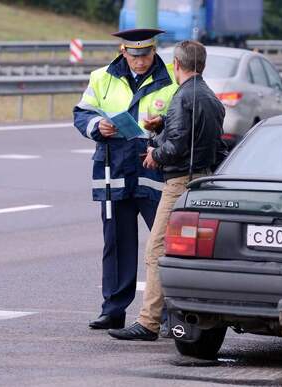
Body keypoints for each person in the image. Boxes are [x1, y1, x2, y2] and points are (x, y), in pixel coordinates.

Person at [108, 40, 226, 341]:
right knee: (188, 253)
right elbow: (209, 143)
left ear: (176, 63)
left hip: (178, 183)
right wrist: (163, 126)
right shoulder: (211, 98)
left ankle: (149, 322)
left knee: (156, 250)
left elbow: (178, 144)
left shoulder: (182, 97)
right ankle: (177, 315)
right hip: (203, 180)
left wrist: (154, 154)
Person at [73, 29, 178, 330]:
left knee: (164, 246)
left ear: (153, 51)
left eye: (145, 55)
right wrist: (97, 125)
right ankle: (113, 309)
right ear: (123, 51)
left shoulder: (171, 77)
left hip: (153, 170)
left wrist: (162, 124)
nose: (140, 62)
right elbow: (82, 113)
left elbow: (184, 117)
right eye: (134, 56)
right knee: (116, 244)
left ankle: (171, 314)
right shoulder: (101, 77)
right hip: (114, 169)